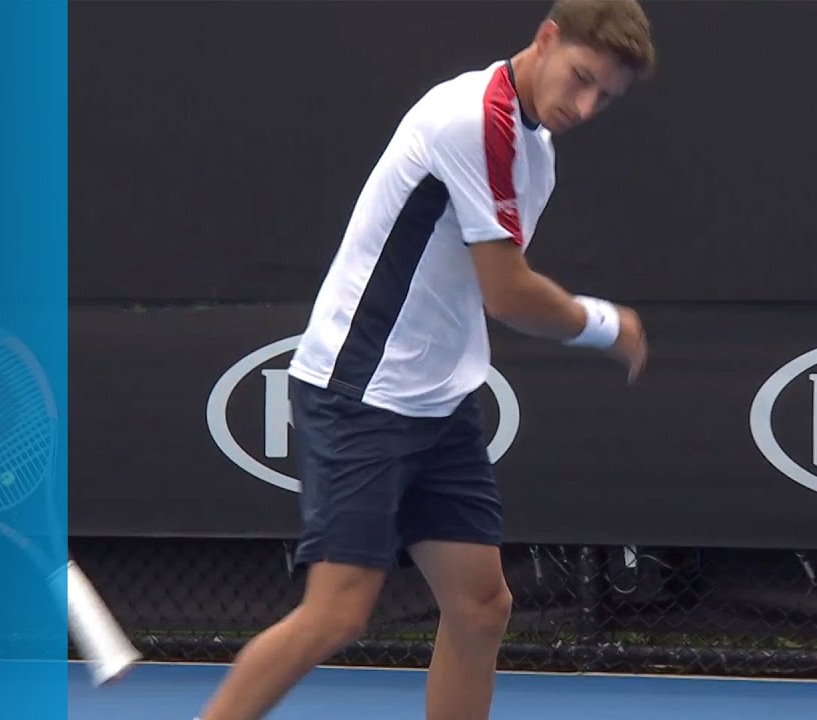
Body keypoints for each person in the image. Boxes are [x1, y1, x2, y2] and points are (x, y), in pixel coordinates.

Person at [196, 1, 655, 718]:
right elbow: (505, 293)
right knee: (338, 614)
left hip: (438, 400)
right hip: (362, 391)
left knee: (480, 605)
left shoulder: (535, 148)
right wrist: (603, 324)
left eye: (606, 96)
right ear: (547, 38)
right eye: (581, 78)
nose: (587, 105)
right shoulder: (472, 120)